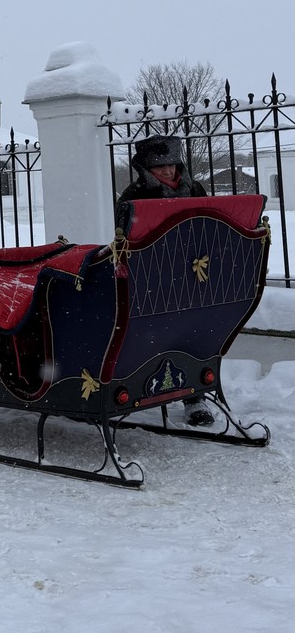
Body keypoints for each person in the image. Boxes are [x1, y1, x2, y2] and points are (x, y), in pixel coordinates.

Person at [116, 135, 214, 428]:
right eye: (161, 167)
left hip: (194, 273)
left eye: (172, 164)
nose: (169, 172)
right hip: (155, 278)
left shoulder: (194, 189)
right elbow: (124, 240)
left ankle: (194, 396)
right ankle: (146, 388)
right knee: (157, 334)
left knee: (194, 333)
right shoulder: (133, 196)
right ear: (146, 167)